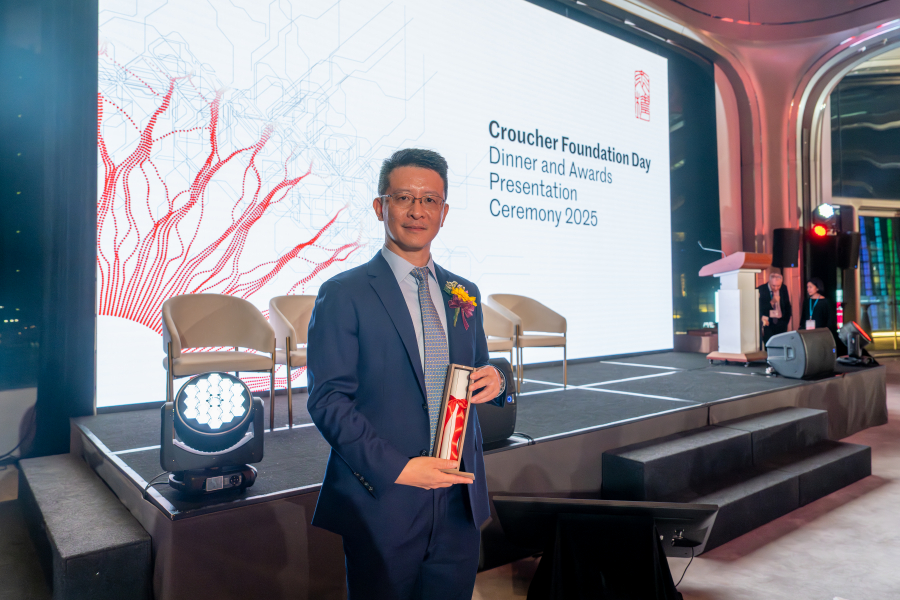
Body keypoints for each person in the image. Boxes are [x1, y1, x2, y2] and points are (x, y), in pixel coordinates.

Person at [306, 148, 507, 600]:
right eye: (404, 198)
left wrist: (498, 380)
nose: (418, 210)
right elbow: (328, 401)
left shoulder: (463, 292)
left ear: (444, 213)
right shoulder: (343, 293)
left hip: (457, 501)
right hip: (384, 499)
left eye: (430, 200)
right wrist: (399, 469)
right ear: (381, 207)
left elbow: (480, 365)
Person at [758, 271, 792, 347]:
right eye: (773, 286)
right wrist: (772, 302)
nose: (776, 288)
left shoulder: (783, 288)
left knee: (781, 346)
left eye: (778, 286)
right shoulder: (761, 289)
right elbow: (759, 308)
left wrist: (785, 322)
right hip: (768, 324)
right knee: (770, 346)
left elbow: (787, 306)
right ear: (769, 282)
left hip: (781, 323)